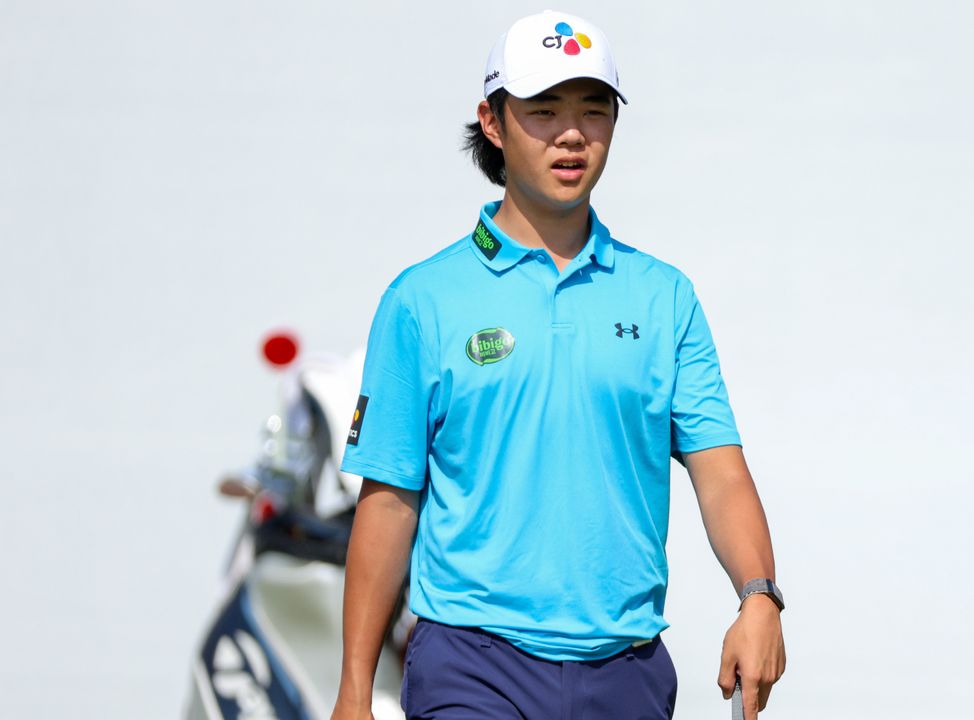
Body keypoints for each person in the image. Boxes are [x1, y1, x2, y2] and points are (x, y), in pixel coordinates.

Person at [330, 10, 785, 720]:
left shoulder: (664, 297)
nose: (572, 134)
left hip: (626, 668)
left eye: (593, 111)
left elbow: (720, 471)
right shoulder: (422, 300)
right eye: (544, 111)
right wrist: (355, 688)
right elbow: (389, 502)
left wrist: (759, 596)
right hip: (470, 664)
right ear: (493, 121)